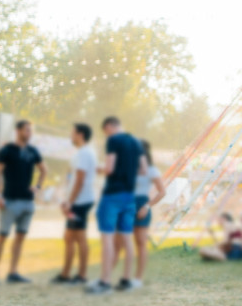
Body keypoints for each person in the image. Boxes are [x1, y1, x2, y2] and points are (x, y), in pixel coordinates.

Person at [87, 116, 146, 295]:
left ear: (109, 127)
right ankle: (126, 280)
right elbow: (143, 170)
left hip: (112, 195)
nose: (106, 135)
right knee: (127, 239)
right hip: (130, 196)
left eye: (105, 131)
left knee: (108, 238)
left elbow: (109, 168)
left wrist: (96, 168)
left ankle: (105, 282)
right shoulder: (136, 142)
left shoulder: (113, 140)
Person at [0, 119, 47, 286]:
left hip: (28, 202)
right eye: (27, 130)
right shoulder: (6, 150)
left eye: (31, 130)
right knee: (2, 236)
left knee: (20, 237)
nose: (30, 133)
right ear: (19, 131)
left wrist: (37, 186)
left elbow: (44, 170)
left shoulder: (33, 151)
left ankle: (13, 272)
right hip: (10, 201)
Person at [54, 123, 97, 285]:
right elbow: (74, 179)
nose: (70, 135)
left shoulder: (85, 153)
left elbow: (80, 179)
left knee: (79, 237)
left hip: (80, 202)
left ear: (80, 134)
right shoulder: (82, 152)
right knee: (69, 237)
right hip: (78, 201)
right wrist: (67, 200)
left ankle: (81, 275)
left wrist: (69, 203)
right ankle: (66, 274)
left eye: (72, 132)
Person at [131, 140, 167, 284]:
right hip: (127, 204)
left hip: (141, 205)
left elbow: (162, 192)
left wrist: (146, 206)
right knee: (125, 241)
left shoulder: (152, 170)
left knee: (140, 242)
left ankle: (138, 278)